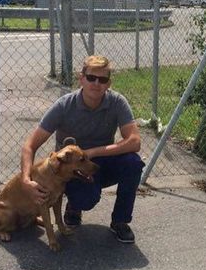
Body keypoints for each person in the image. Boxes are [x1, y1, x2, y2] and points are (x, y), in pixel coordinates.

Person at [20, 55, 144, 243]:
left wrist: (92, 152)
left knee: (133, 163)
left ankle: (120, 221)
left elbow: (134, 141)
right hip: (72, 169)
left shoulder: (117, 102)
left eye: (102, 80)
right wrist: (25, 181)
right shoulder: (64, 106)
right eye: (91, 78)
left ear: (109, 83)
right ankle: (74, 206)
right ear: (81, 78)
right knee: (85, 200)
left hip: (99, 162)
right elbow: (30, 145)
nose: (96, 83)